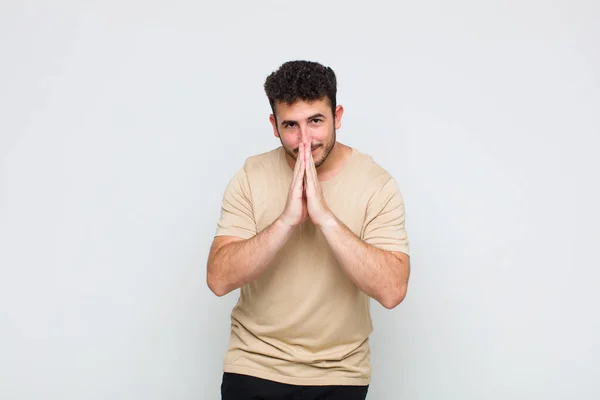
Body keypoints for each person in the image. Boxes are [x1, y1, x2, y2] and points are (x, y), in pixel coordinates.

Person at [206, 60, 411, 400]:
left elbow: (392, 291)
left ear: (338, 116)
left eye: (315, 121)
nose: (305, 140)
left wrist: (324, 218)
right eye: (291, 125)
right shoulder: (251, 176)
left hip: (340, 372)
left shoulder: (377, 185)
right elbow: (218, 279)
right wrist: (286, 220)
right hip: (255, 365)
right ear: (274, 125)